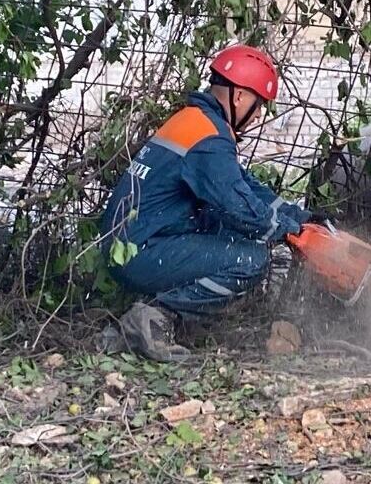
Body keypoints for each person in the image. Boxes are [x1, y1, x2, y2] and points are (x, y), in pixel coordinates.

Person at [98, 44, 313, 361]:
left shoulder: (195, 122)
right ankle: (152, 319)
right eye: (258, 105)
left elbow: (243, 185)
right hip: (140, 251)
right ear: (239, 96)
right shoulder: (210, 138)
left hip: (133, 243)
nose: (258, 116)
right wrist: (286, 231)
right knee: (250, 260)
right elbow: (237, 206)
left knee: (231, 235)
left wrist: (299, 216)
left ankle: (142, 320)